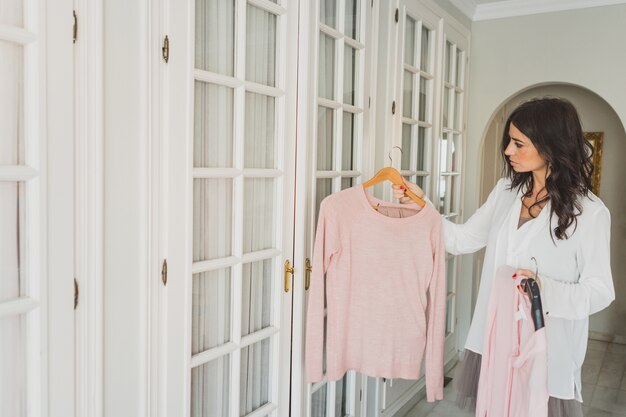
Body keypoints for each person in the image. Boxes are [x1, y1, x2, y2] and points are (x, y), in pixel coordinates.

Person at [393, 97, 614, 417]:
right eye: (508, 142)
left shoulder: (590, 213)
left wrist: (541, 290)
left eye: (518, 143)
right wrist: (422, 206)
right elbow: (463, 240)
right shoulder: (506, 192)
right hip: (495, 337)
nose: (508, 151)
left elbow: (600, 291)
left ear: (550, 146)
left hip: (545, 350)